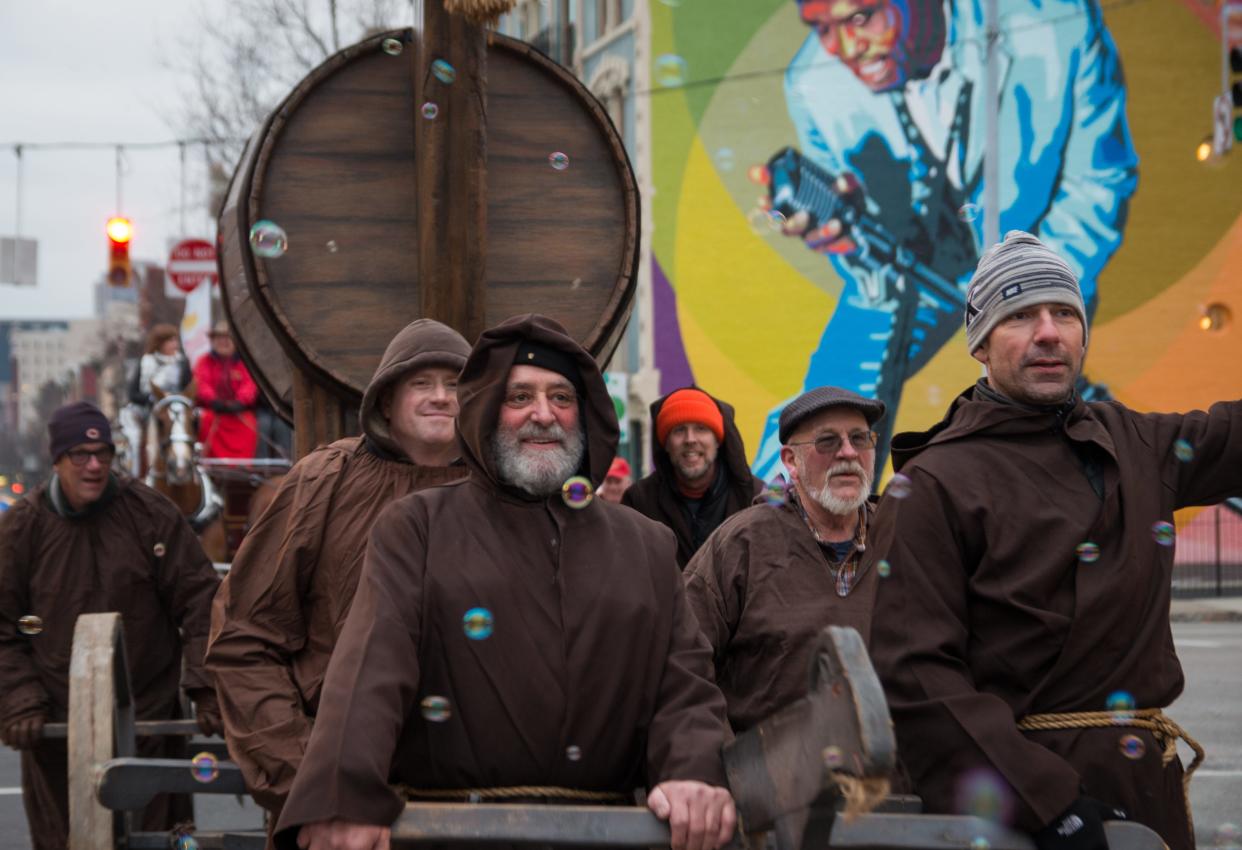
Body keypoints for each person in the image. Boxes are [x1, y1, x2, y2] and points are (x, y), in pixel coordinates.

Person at [275, 315, 735, 850]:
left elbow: (684, 685)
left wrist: (694, 772)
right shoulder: (416, 527)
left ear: (585, 415)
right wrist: (342, 793)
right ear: (488, 411)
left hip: (612, 837)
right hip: (446, 836)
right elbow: (369, 670)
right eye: (520, 396)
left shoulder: (647, 545)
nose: (543, 414)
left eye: (561, 397)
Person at [867, 231, 1236, 850]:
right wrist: (1051, 806)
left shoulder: (1136, 442)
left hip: (1148, 797)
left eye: (1064, 312)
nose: (1048, 332)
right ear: (980, 344)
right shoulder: (936, 483)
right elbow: (917, 677)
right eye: (1019, 315)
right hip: (1023, 815)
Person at [749, 0, 1139, 478]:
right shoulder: (811, 82)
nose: (844, 48)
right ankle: (769, 532)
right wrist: (853, 247)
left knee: (1042, 426)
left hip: (1039, 259)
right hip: (907, 272)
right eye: (822, 27)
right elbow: (876, 256)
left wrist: (1030, 303)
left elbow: (1097, 183)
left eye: (860, 17)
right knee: (821, 413)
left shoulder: (1058, 23)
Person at [206, 319, 472, 829]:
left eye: (456, 384)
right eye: (421, 383)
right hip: (337, 799)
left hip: (471, 805)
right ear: (386, 400)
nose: (440, 397)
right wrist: (312, 778)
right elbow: (244, 639)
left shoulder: (503, 492)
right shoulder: (325, 480)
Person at [0, 401, 222, 850]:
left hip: (149, 723)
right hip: (59, 732)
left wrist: (207, 686)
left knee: (159, 842)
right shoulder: (23, 528)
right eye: (80, 455)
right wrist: (20, 698)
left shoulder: (150, 515)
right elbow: (3, 627)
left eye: (104, 453)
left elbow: (202, 602)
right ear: (57, 460)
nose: (95, 465)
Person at [684, 387, 885, 733]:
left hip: (890, 782)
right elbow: (683, 662)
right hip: (769, 779)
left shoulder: (900, 536)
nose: (848, 453)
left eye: (860, 438)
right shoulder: (741, 543)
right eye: (827, 442)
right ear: (792, 461)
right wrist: (727, 760)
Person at [623, 388, 764, 568]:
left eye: (701, 429)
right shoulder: (638, 501)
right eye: (679, 430)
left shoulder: (757, 498)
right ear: (665, 443)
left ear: (718, 441)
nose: (690, 439)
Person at [193, 321, 260, 459]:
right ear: (213, 341)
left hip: (239, 413)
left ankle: (245, 464)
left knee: (251, 424)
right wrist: (213, 400)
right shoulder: (204, 361)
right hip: (213, 411)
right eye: (219, 338)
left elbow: (250, 384)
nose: (223, 342)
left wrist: (240, 402)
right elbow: (201, 383)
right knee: (204, 421)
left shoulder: (244, 361)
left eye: (227, 338)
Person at [131, 324, 192, 406]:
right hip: (148, 407)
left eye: (176, 340)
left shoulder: (182, 363)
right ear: (159, 343)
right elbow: (133, 393)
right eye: (171, 341)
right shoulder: (145, 362)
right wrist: (152, 398)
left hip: (177, 406)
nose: (175, 345)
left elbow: (188, 390)